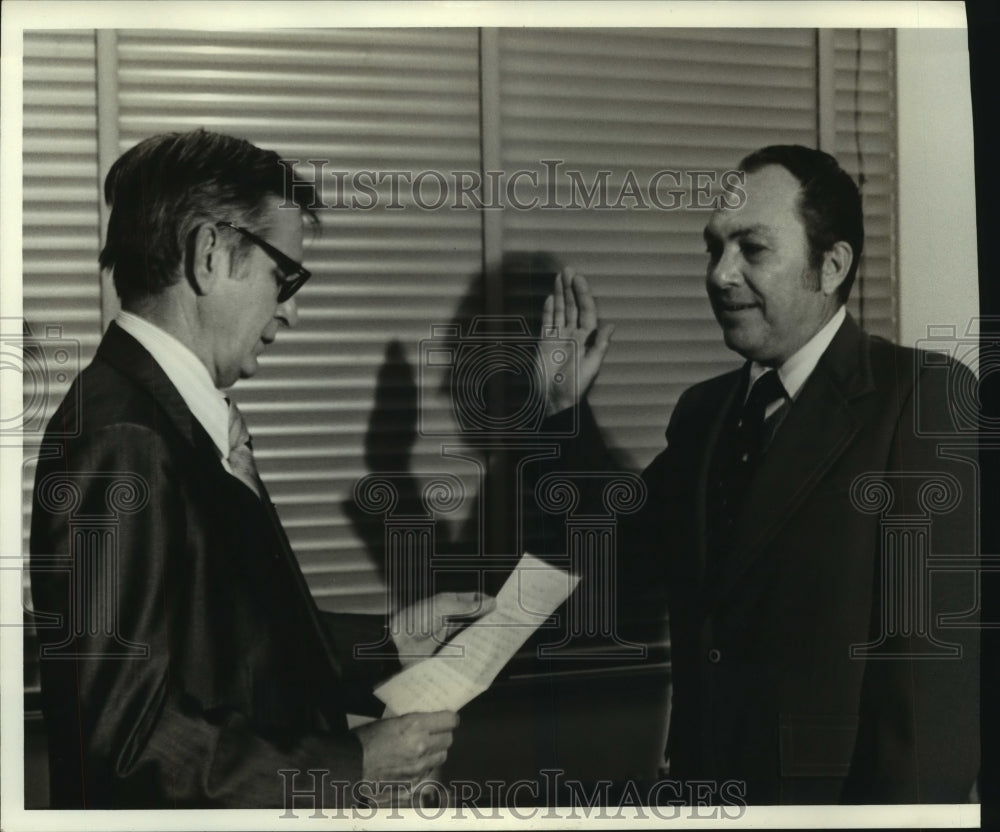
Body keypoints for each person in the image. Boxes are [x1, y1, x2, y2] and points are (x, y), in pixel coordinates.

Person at [29, 129, 490, 809]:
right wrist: (350, 764)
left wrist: (387, 644)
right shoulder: (124, 438)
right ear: (210, 255)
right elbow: (124, 739)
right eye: (286, 277)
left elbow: (217, 637)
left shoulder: (161, 416)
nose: (292, 312)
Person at [533, 145, 980, 803]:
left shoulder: (918, 397)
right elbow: (616, 558)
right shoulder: (705, 413)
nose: (720, 274)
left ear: (831, 266)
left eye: (752, 249)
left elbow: (929, 692)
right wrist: (561, 414)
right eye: (714, 249)